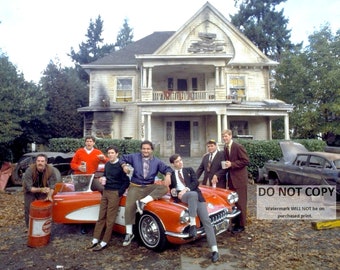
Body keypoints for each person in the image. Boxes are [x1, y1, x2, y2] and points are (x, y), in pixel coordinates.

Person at [120, 140, 173, 247]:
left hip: (149, 187)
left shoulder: (157, 161)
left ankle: (143, 202)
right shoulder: (134, 157)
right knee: (129, 206)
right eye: (144, 148)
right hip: (135, 186)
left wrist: (167, 175)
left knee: (164, 188)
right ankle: (129, 233)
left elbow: (168, 168)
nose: (145, 151)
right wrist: (124, 166)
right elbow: (122, 158)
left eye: (148, 149)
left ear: (152, 150)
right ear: (141, 149)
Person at [169, 154, 219, 263]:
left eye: (180, 160)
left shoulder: (189, 170)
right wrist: (175, 193)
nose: (180, 162)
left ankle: (214, 250)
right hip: (184, 197)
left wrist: (185, 189)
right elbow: (172, 189)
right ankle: (192, 224)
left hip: (195, 196)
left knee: (206, 221)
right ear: (173, 164)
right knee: (192, 195)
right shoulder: (172, 175)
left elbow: (196, 183)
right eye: (177, 161)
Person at [87, 146, 130, 251]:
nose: (110, 155)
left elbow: (126, 181)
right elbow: (105, 175)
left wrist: (119, 193)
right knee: (101, 216)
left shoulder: (121, 166)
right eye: (109, 153)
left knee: (110, 219)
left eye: (112, 153)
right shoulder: (107, 164)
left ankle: (105, 241)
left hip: (115, 193)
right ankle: (96, 238)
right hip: (106, 191)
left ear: (117, 154)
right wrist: (103, 179)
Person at [71, 135, 109, 234]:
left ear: (94, 143)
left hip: (91, 177)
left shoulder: (97, 152)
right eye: (87, 141)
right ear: (85, 142)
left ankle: (103, 214)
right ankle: (81, 224)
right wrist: (79, 167)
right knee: (81, 199)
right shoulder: (79, 151)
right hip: (80, 177)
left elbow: (109, 162)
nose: (89, 143)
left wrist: (104, 158)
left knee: (102, 189)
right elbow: (72, 164)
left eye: (91, 141)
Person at [221, 129, 249, 233]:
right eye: (223, 137)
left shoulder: (238, 146)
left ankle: (241, 225)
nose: (225, 138)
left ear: (231, 136)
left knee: (241, 202)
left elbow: (245, 161)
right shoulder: (225, 147)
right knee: (234, 202)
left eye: (226, 136)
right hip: (232, 179)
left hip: (240, 179)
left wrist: (232, 164)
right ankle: (235, 223)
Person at [22, 153, 58, 228]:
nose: (40, 163)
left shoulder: (51, 170)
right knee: (29, 208)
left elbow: (52, 185)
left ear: (46, 162)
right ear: (36, 162)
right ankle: (29, 227)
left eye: (42, 161)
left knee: (44, 207)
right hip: (30, 191)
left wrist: (49, 196)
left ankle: (43, 225)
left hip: (43, 189)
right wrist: (41, 189)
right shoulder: (29, 170)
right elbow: (30, 188)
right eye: (38, 161)